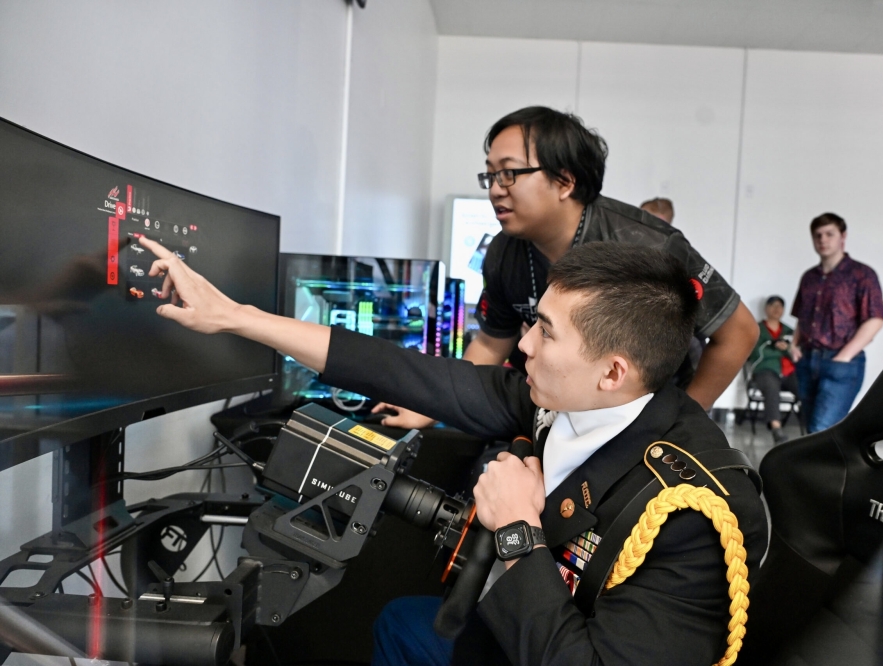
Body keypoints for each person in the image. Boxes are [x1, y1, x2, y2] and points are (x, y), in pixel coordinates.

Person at [137, 235, 768, 666]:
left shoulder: (696, 514)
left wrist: (519, 530)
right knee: (401, 623)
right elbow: (407, 374)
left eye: (544, 332)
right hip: (528, 623)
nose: (521, 346)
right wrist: (237, 317)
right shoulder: (567, 393)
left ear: (613, 372)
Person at [374, 107, 758, 428]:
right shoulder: (504, 253)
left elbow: (739, 332)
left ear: (565, 181)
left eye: (509, 173)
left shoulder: (649, 246)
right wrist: (430, 406)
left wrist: (684, 418)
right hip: (559, 416)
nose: (494, 188)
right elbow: (492, 343)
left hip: (646, 418)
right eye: (490, 174)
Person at [792, 213, 883, 433]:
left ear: (843, 237)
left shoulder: (862, 274)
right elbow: (801, 316)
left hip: (841, 365)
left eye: (829, 234)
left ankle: (822, 468)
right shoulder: (809, 277)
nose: (823, 240)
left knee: (821, 431)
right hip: (807, 361)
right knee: (809, 431)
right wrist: (793, 345)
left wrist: (843, 357)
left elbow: (875, 318)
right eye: (818, 235)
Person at [747, 296, 799, 444]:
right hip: (765, 370)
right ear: (766, 308)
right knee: (771, 386)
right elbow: (755, 353)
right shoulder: (756, 329)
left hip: (788, 372)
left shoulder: (790, 331)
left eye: (780, 306)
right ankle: (776, 429)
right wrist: (778, 349)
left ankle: (816, 427)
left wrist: (788, 348)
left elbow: (798, 353)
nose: (777, 309)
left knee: (805, 386)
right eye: (773, 305)